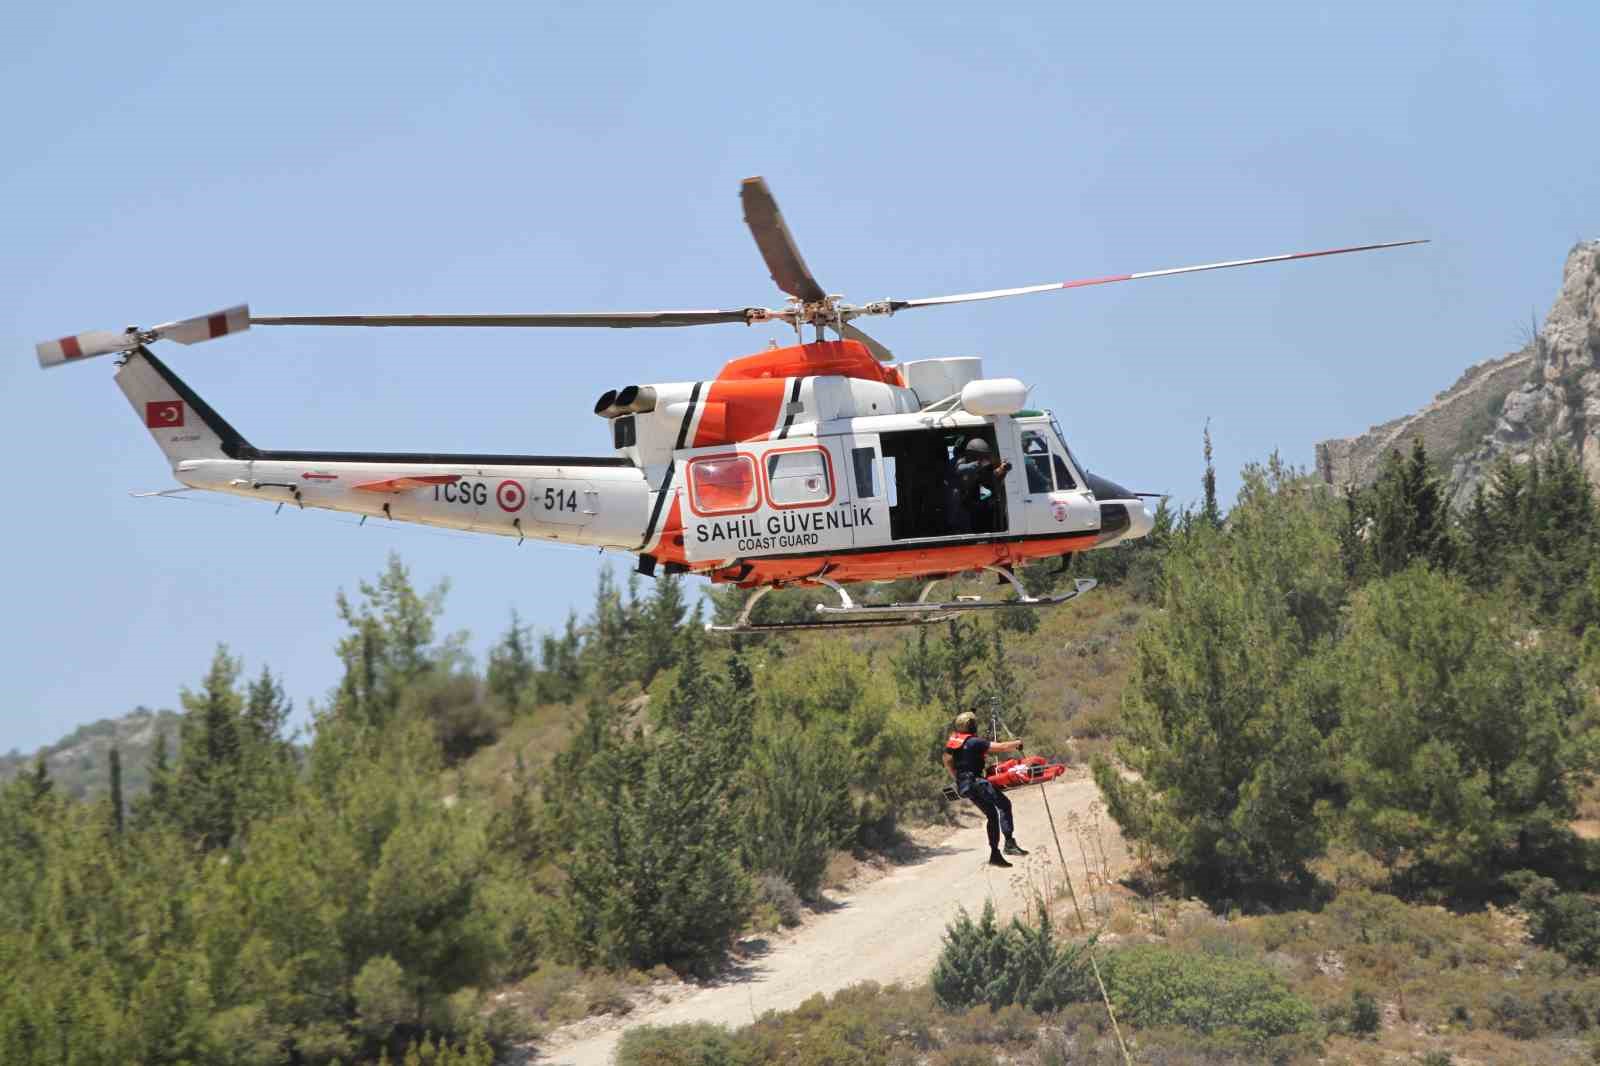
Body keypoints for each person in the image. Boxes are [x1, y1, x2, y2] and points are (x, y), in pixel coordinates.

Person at [943, 709, 1030, 867]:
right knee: (1004, 804)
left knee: (991, 814)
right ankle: (1009, 843)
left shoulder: (955, 743)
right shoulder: (974, 742)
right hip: (977, 782)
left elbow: (947, 761)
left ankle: (995, 855)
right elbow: (1002, 747)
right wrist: (1017, 743)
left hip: (965, 786)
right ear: (971, 726)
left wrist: (957, 777)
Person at [944, 438, 1011, 534]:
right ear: (971, 454)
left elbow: (988, 478)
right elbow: (961, 469)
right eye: (980, 456)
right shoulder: (961, 462)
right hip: (959, 503)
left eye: (983, 456)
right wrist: (980, 464)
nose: (982, 458)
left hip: (972, 500)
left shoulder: (982, 466)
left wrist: (1000, 470)